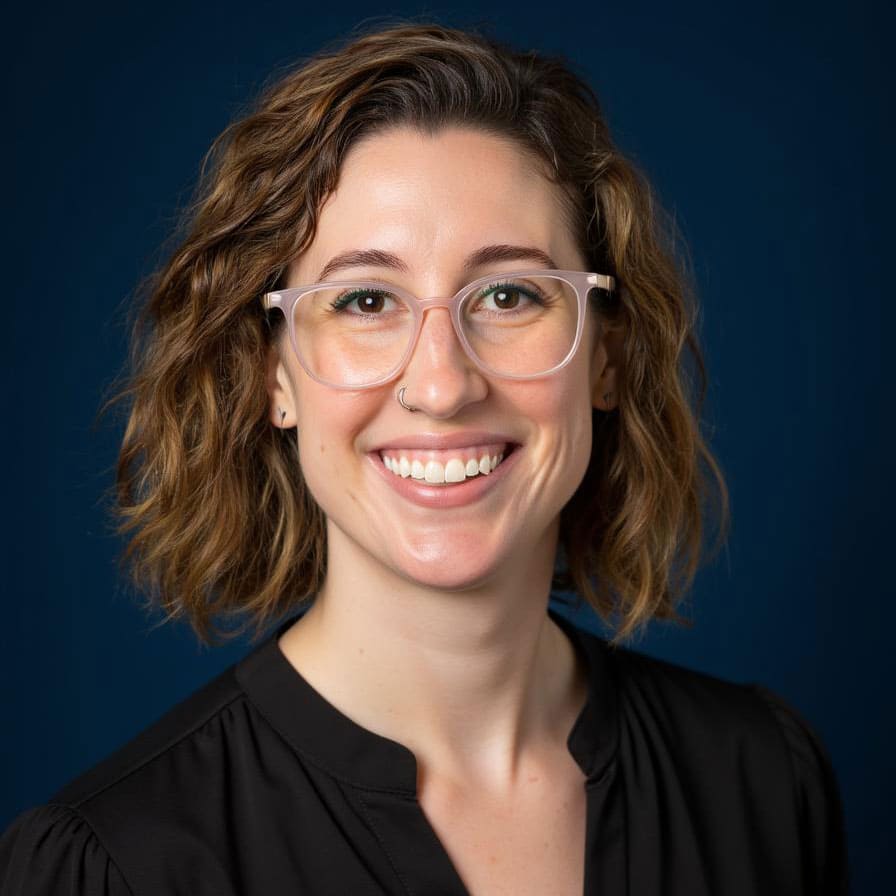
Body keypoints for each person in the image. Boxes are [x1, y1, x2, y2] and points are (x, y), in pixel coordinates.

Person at [0, 20, 849, 896]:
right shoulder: (118, 865)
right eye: (366, 301)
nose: (442, 386)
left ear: (606, 357)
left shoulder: (761, 782)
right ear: (274, 375)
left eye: (509, 294)